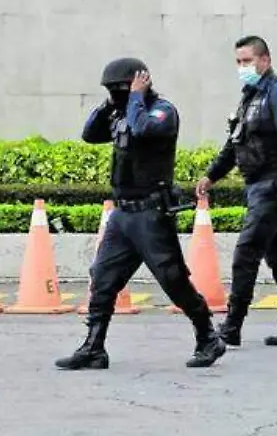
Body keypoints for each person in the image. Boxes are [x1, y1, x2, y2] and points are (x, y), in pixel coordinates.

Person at [55, 57, 226, 370]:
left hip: (151, 214)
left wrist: (135, 97)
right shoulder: (121, 112)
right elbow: (90, 134)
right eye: (113, 90)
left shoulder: (162, 111)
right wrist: (110, 104)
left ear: (141, 82)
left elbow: (143, 129)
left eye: (121, 88)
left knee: (173, 280)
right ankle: (94, 347)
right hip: (123, 215)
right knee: (103, 277)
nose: (119, 94)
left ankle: (208, 336)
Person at [195, 35, 277, 347]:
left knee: (246, 252)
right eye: (238, 62)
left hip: (273, 185)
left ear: (265, 60)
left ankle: (231, 328)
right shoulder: (250, 97)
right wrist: (211, 176)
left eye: (247, 61)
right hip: (257, 186)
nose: (243, 67)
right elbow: (235, 143)